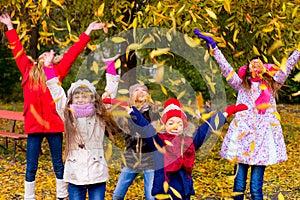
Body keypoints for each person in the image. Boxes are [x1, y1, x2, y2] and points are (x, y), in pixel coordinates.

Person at [0, 13, 105, 199]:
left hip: (54, 125)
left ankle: (61, 195)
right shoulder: (27, 70)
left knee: (58, 162)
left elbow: (73, 53)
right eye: (46, 53)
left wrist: (87, 31)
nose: (50, 54)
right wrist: (9, 26)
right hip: (34, 126)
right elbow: (17, 49)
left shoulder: (57, 72)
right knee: (31, 164)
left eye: (52, 54)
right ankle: (29, 196)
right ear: (39, 58)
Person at [194, 29, 300, 200]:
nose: (255, 64)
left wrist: (298, 51)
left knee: (256, 188)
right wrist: (214, 48)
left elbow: (287, 66)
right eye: (252, 63)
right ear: (248, 68)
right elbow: (225, 68)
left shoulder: (272, 84)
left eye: (258, 62)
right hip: (243, 138)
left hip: (262, 140)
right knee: (239, 185)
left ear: (264, 67)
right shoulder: (241, 85)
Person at [128, 98, 248, 200]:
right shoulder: (159, 142)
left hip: (183, 189)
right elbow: (145, 128)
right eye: (171, 123)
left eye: (179, 124)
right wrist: (131, 111)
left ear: (183, 126)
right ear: (164, 125)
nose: (175, 126)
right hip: (164, 192)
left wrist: (226, 113)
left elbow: (205, 130)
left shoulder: (188, 143)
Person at [42, 52, 120, 199]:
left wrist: (110, 65)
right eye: (77, 97)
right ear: (71, 100)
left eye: (85, 96)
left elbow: (111, 92)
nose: (80, 99)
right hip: (75, 171)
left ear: (92, 99)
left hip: (96, 170)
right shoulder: (67, 115)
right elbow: (56, 92)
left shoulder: (99, 115)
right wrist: (48, 67)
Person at [110, 83, 162, 200]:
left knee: (151, 196)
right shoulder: (125, 113)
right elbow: (114, 124)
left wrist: (153, 106)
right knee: (117, 194)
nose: (141, 92)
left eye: (144, 90)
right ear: (131, 96)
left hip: (150, 159)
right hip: (132, 158)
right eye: (137, 90)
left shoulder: (154, 111)